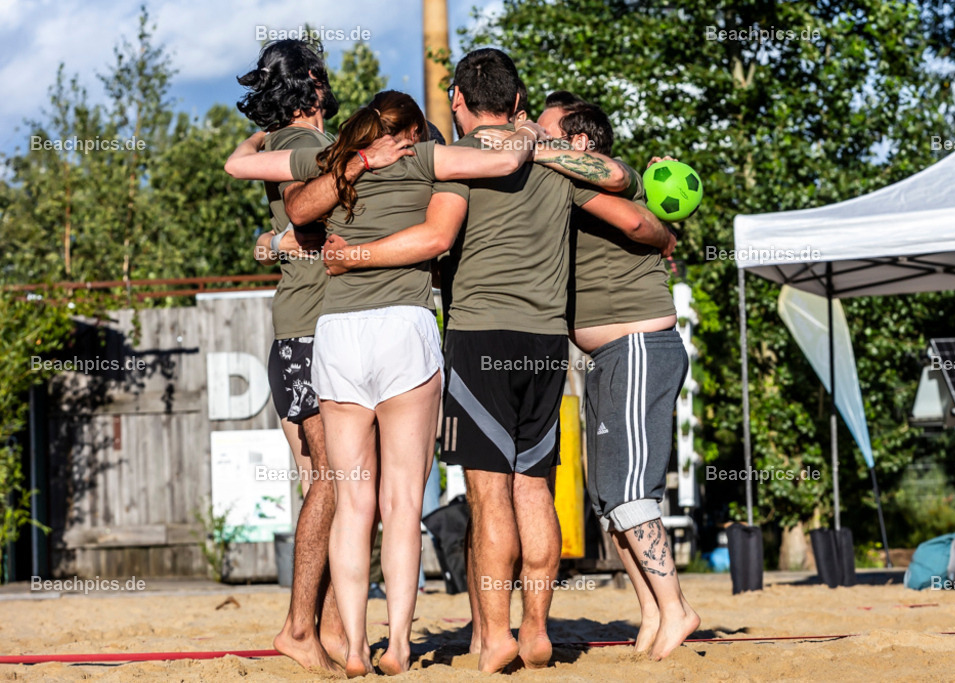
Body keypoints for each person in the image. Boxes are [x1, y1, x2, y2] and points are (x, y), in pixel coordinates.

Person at [224, 89, 546, 677]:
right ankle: (396, 645)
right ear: (413, 131)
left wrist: (357, 163)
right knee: (401, 505)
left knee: (352, 504)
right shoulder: (425, 158)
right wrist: (526, 134)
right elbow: (502, 163)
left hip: (339, 334)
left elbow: (284, 203)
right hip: (403, 328)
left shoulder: (335, 163)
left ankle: (351, 649)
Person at [438, 49, 677, 674]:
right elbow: (622, 185)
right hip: (547, 341)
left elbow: (435, 240)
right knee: (533, 489)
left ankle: (495, 636)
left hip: (481, 333)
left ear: (460, 102)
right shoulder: (559, 164)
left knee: (488, 500)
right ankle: (538, 630)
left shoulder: (460, 162)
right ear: (517, 101)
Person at [228, 39, 408, 673]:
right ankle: (301, 627)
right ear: (312, 83)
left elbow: (242, 166)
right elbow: (279, 178)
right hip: (312, 326)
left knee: (325, 485)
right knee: (337, 482)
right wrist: (370, 155)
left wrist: (273, 236)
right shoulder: (307, 151)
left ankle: (330, 631)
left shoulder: (278, 145)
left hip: (296, 327)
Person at [537, 90, 701, 660]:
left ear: (579, 140)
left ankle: (677, 607)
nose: (538, 136)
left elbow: (635, 218)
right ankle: (654, 612)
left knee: (633, 493)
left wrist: (532, 148)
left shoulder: (602, 180)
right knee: (612, 501)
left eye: (547, 130)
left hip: (637, 348)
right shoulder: (565, 187)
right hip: (608, 357)